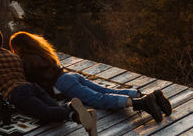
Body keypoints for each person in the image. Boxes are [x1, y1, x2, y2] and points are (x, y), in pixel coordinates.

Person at [9, 30, 170, 122]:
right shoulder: (41, 52)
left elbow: (30, 82)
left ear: (19, 47)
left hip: (62, 83)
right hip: (69, 76)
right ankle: (151, 96)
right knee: (104, 90)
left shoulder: (27, 60)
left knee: (98, 99)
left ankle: (139, 103)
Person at [0, 26, 98, 136]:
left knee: (45, 112)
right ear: (1, 42)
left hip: (16, 93)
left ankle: (78, 117)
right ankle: (71, 106)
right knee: (53, 107)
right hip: (31, 87)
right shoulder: (14, 56)